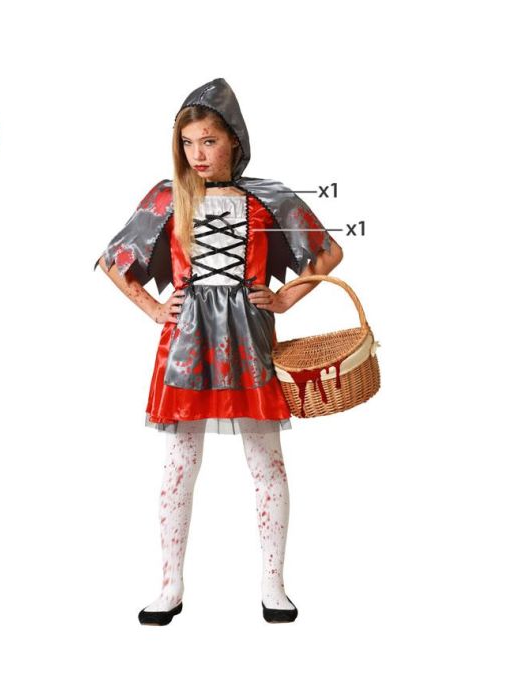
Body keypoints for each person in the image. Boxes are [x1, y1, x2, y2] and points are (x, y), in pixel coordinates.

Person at [94, 78, 343, 625]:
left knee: (266, 460)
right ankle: (169, 584)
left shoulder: (269, 197)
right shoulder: (167, 196)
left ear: (234, 139)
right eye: (188, 143)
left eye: (208, 141)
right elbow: (114, 261)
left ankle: (273, 584)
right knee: (181, 463)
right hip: (186, 344)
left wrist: (285, 298)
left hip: (249, 340)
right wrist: (153, 308)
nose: (198, 154)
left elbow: (328, 252)